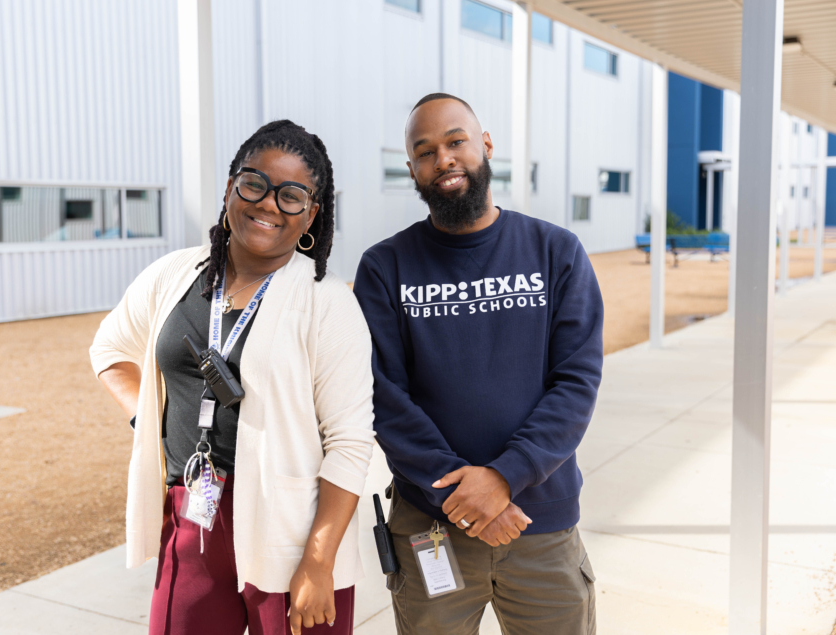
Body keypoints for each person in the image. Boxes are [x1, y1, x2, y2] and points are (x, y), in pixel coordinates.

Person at [90, 120, 375, 635]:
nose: (268, 204)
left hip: (289, 527)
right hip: (192, 517)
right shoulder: (176, 275)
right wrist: (147, 421)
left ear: (311, 213)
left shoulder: (327, 302)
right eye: (254, 184)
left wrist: (318, 560)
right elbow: (109, 349)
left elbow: (350, 444)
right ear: (229, 189)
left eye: (291, 196)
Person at [352, 93, 604, 635]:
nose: (443, 158)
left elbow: (576, 382)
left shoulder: (556, 252)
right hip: (430, 526)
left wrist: (505, 478)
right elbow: (383, 396)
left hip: (538, 522)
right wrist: (463, 499)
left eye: (455, 141)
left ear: (485, 144)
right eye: (425, 151)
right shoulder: (385, 267)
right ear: (412, 169)